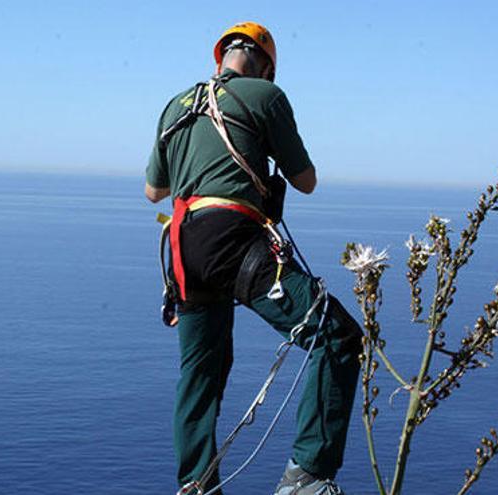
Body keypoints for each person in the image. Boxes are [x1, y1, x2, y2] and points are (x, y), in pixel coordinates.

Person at [145, 21, 363, 495]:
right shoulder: (266, 97)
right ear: (264, 66)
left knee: (201, 374)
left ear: (221, 56)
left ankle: (195, 486)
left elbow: (153, 190)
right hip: (233, 240)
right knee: (337, 336)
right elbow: (306, 180)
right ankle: (306, 476)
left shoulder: (175, 105)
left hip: (183, 249)